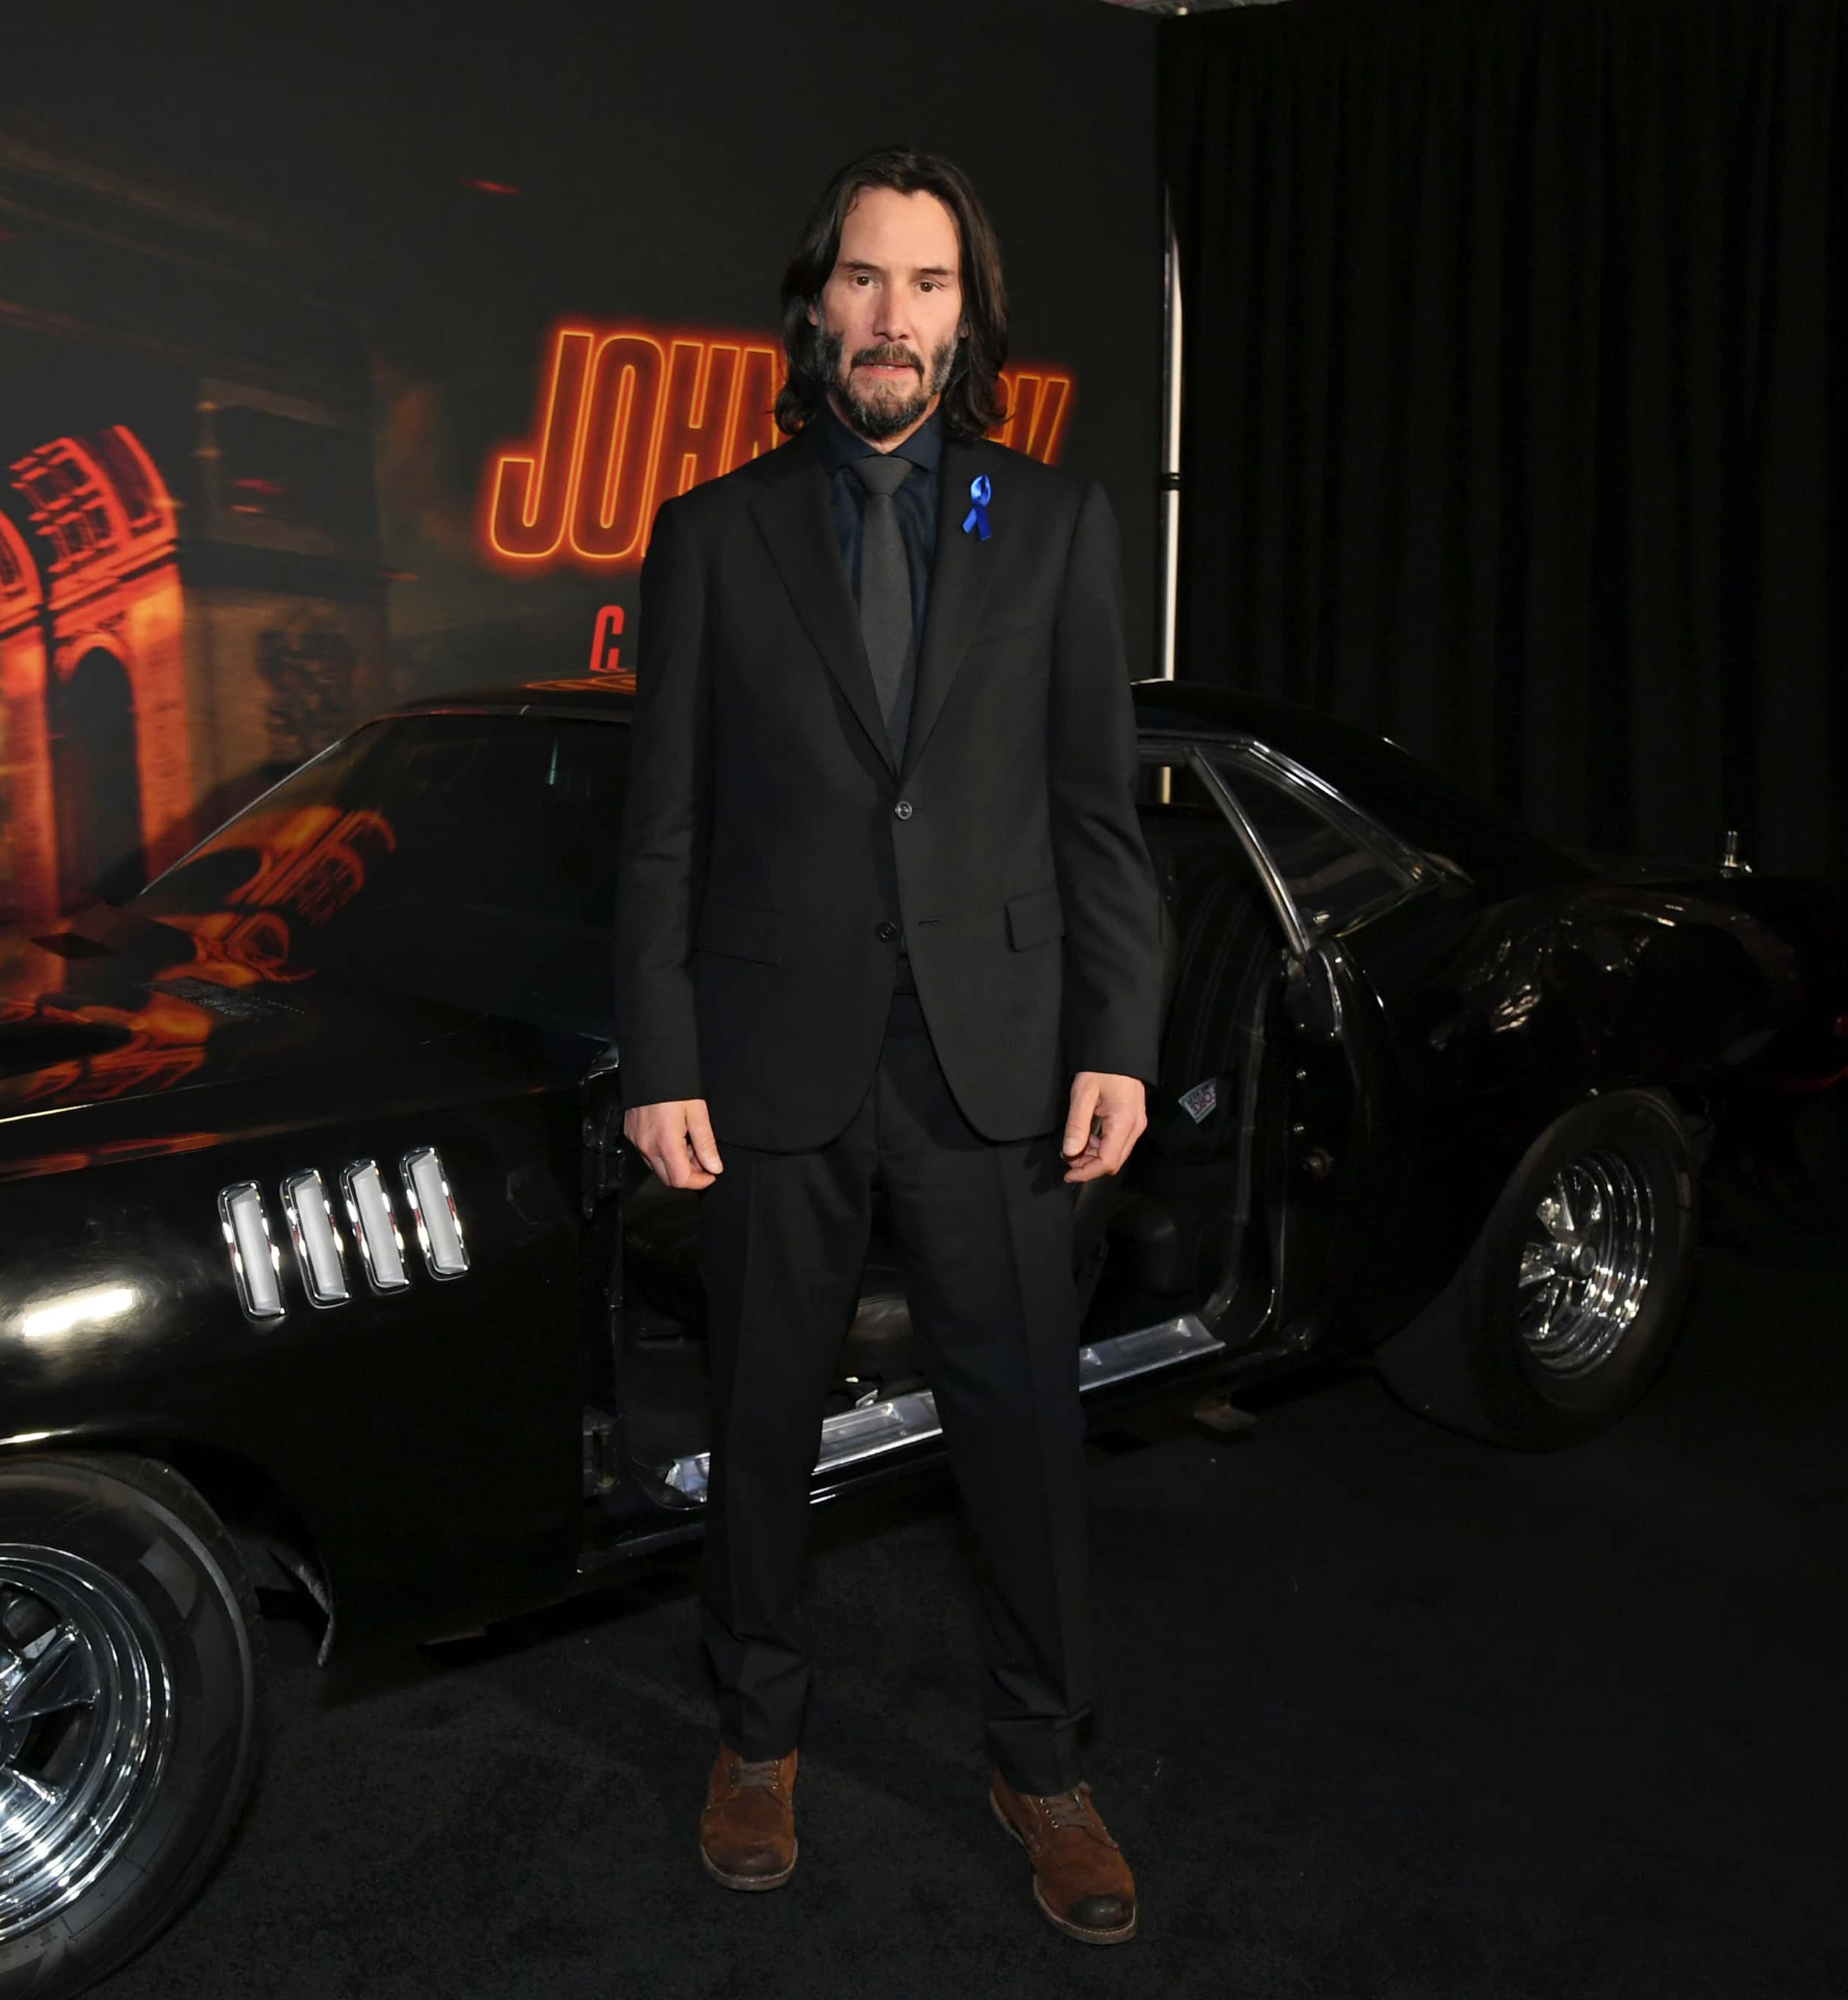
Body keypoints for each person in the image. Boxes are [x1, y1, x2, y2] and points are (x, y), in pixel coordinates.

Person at [610, 146, 1165, 1945]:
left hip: (996, 1061)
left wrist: (1118, 1036)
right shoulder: (711, 533)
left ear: (968, 321)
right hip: (770, 1058)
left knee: (1020, 1432)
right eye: (864, 280)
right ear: (813, 304)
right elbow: (664, 832)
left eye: (928, 287)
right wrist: (663, 1055)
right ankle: (756, 1736)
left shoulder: (1060, 525)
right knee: (763, 1420)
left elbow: (1099, 817)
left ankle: (1044, 1763)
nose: (892, 319)